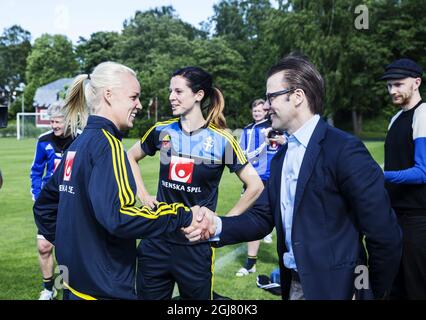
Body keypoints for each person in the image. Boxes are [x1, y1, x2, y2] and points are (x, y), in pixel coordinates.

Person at [185, 54, 402, 300]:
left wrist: (367, 292)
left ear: (297, 96)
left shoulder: (344, 150)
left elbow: (384, 235)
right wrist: (215, 225)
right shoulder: (281, 157)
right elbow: (262, 217)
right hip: (295, 287)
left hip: (338, 290)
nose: (266, 106)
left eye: (271, 97)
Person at [33, 62, 209, 300]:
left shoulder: (78, 144)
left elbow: (44, 207)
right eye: (134, 97)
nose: (139, 104)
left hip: (74, 286)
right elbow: (120, 217)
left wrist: (74, 250)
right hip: (104, 290)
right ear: (109, 95)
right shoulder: (108, 146)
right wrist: (184, 215)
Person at [127, 66, 264, 300]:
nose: (171, 97)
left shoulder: (222, 141)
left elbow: (255, 185)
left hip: (195, 246)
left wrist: (221, 225)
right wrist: (142, 193)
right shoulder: (162, 131)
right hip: (155, 240)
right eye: (171, 91)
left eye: (179, 91)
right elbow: (129, 156)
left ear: (199, 95)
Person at [380, 58, 426, 299]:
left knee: (416, 288)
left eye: (398, 84)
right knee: (394, 287)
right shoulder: (395, 119)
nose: (392, 91)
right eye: (389, 86)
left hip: (417, 221)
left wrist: (381, 175)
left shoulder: (424, 114)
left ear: (416, 82)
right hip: (394, 217)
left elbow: (423, 172)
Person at [30, 102, 78, 300]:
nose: (54, 125)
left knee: (68, 249)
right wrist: (37, 194)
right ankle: (49, 289)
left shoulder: (80, 139)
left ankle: (69, 287)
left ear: (69, 121)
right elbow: (36, 170)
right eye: (52, 121)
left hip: (72, 201)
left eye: (58, 121)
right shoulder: (43, 141)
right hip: (49, 203)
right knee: (44, 247)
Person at [235, 99, 283, 277]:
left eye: (260, 110)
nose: (257, 112)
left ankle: (293, 263)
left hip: (275, 179)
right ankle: (250, 264)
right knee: (253, 219)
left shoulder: (276, 127)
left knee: (285, 220)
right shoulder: (247, 129)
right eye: (254, 110)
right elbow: (242, 152)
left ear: (266, 111)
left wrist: (282, 139)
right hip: (255, 179)